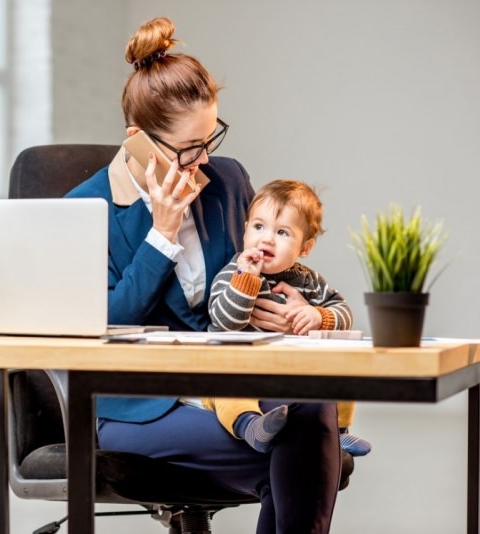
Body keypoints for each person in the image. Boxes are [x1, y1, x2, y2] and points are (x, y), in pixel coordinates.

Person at [66, 17, 342, 533]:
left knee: (309, 412)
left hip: (232, 384)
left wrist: (298, 309)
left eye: (210, 137)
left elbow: (264, 263)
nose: (205, 158)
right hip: (138, 407)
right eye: (189, 148)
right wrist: (162, 235)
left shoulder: (226, 180)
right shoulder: (86, 207)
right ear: (138, 141)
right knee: (304, 449)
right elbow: (105, 323)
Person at [206, 179, 372, 457]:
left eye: (282, 232)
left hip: (286, 370)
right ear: (245, 231)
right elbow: (224, 321)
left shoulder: (309, 281)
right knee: (225, 387)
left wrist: (319, 315)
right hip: (237, 367)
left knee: (341, 362)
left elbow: (344, 312)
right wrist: (246, 280)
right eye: (258, 227)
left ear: (305, 247)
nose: (267, 238)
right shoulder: (235, 271)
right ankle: (251, 427)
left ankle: (337, 431)